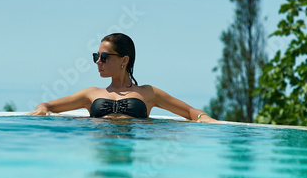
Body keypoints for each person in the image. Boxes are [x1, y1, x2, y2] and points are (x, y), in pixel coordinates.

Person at [27, 33, 221, 123]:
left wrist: (205, 118)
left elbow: (190, 111)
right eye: (96, 57)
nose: (98, 62)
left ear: (124, 60)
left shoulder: (148, 93)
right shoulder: (90, 94)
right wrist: (42, 108)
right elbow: (48, 106)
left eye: (103, 57)